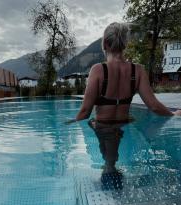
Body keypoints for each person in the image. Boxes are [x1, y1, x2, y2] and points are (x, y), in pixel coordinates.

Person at [66, 22, 181, 177]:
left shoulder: (98, 70)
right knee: (115, 149)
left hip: (104, 126)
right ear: (125, 44)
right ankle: (112, 166)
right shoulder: (138, 71)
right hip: (125, 124)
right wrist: (173, 115)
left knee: (106, 154)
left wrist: (71, 123)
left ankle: (110, 170)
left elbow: (85, 111)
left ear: (105, 44)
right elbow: (153, 106)